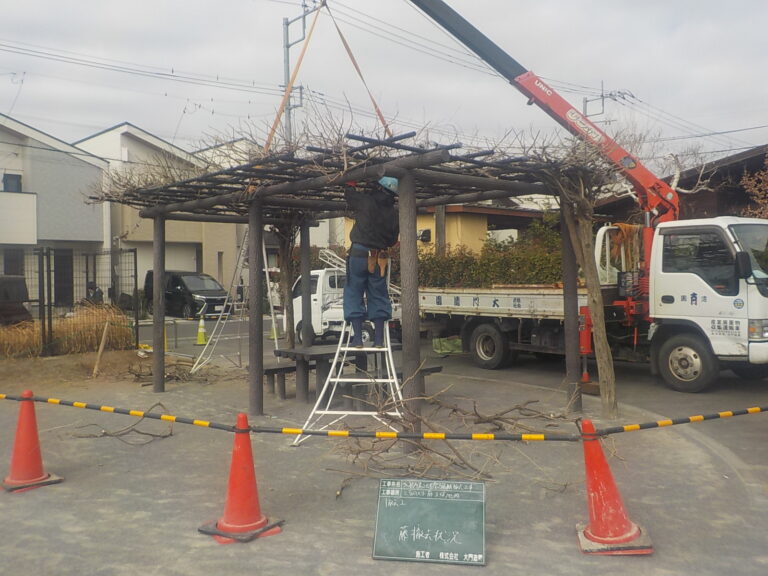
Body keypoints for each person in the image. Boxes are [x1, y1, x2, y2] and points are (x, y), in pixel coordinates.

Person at [343, 177, 399, 347]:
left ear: (378, 188)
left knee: (354, 292)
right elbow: (392, 241)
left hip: (359, 255)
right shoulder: (394, 213)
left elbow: (350, 195)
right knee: (379, 295)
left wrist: (351, 181)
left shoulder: (366, 202)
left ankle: (358, 339)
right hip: (379, 259)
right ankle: (379, 340)